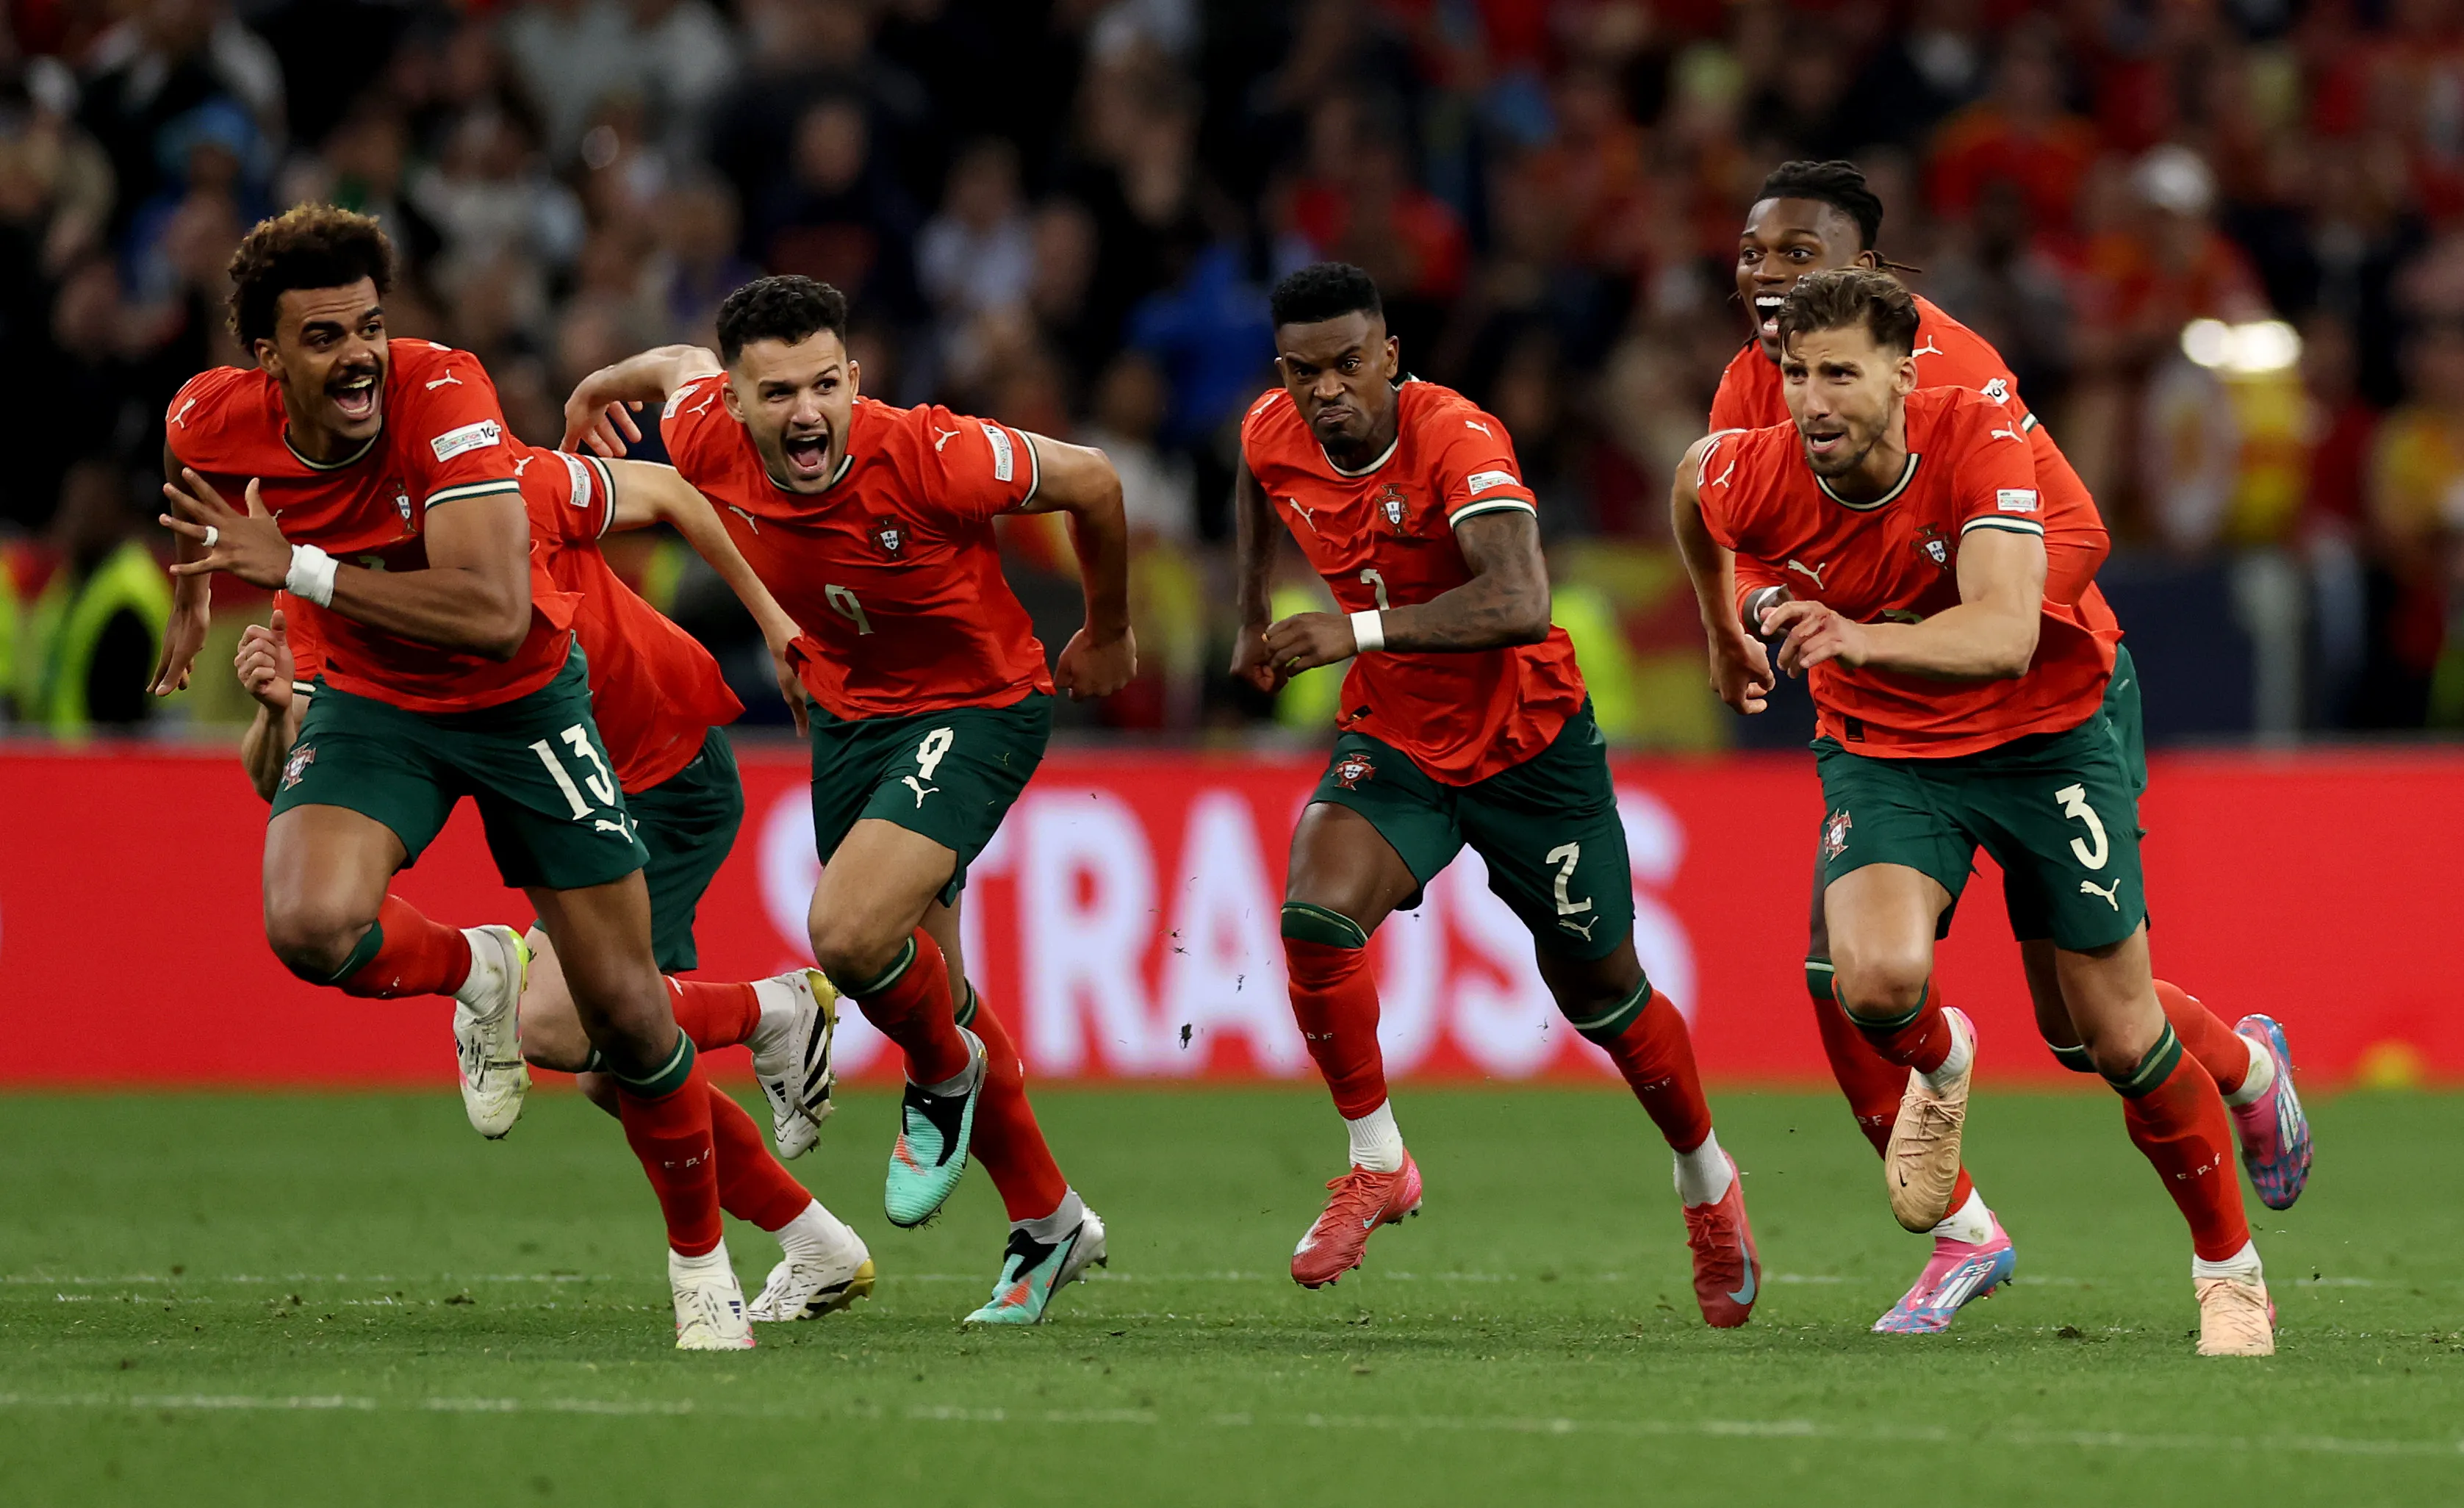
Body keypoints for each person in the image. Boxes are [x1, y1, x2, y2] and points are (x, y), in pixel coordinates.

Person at [1710, 160, 2310, 1334]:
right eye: (1754, 254)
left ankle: (2241, 1085)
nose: (1770, 278)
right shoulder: (1762, 387)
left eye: (1799, 255)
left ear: (1870, 279)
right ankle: (1958, 1225)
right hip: (1884, 729)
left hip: (2037, 713)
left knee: (2094, 1029)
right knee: (1851, 977)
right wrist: (1735, 624)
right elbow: (1720, 503)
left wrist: (1924, 614)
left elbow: (2070, 542)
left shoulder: (1966, 384)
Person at [153, 205, 750, 1351]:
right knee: (311, 923)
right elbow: (187, 454)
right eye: (323, 338)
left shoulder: (447, 396)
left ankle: (701, 1263)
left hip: (520, 698)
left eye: (369, 327)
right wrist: (196, 585)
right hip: (382, 704)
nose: (359, 356)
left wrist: (302, 570)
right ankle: (479, 964)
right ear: (265, 361)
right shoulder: (212, 410)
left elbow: (492, 611)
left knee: (624, 1014)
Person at [561, 274, 1134, 1324]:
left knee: (849, 933)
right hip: (850, 717)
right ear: (736, 402)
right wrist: (598, 386)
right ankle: (1050, 1224)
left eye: (826, 385)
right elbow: (676, 366)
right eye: (777, 394)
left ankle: (942, 1077)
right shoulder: (698, 430)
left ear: (855, 380)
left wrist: (1108, 630)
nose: (808, 412)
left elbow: (1093, 481)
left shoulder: (930, 451)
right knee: (932, 984)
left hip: (981, 703)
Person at [230, 442, 869, 1326]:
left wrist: (771, 620)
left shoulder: (512, 484)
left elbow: (678, 492)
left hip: (656, 764)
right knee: (613, 1071)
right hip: (554, 776)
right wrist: (274, 714)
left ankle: (773, 1015)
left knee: (573, 1027)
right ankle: (814, 1237)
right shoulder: (319, 581)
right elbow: (290, 775)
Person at [1229, 262, 1759, 1325]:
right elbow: (1255, 477)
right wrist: (1248, 612)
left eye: (1346, 365)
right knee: (1314, 914)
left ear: (1389, 356)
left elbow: (1521, 600)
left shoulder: (1456, 438)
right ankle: (1377, 1162)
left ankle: (1707, 1180)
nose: (1326, 390)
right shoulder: (1270, 430)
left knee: (1603, 996)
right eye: (1303, 371)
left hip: (1530, 747)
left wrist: (1356, 631)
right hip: (1399, 740)